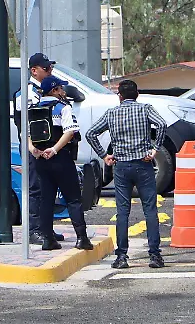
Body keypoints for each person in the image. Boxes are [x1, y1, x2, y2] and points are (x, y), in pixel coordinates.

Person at [86, 79, 168, 269]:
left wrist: (105, 155)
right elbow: (162, 125)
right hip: (143, 164)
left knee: (122, 212)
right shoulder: (145, 109)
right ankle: (154, 255)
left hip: (121, 166)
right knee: (150, 210)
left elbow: (91, 133)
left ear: (120, 96)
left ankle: (121, 256)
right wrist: (155, 150)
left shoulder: (112, 113)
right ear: (137, 94)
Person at [28, 75, 94, 251]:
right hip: (60, 158)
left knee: (46, 200)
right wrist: (55, 150)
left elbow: (27, 136)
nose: (63, 92)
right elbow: (70, 132)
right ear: (54, 90)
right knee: (73, 198)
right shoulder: (62, 108)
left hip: (40, 159)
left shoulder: (34, 108)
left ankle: (48, 239)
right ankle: (82, 238)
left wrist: (34, 150)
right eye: (61, 89)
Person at [12, 53, 64, 246]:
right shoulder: (26, 93)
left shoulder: (47, 91)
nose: (50, 71)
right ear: (34, 70)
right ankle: (34, 230)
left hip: (49, 147)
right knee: (35, 189)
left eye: (51, 68)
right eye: (46, 68)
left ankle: (46, 228)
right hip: (33, 147)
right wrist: (32, 146)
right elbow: (25, 123)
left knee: (48, 189)